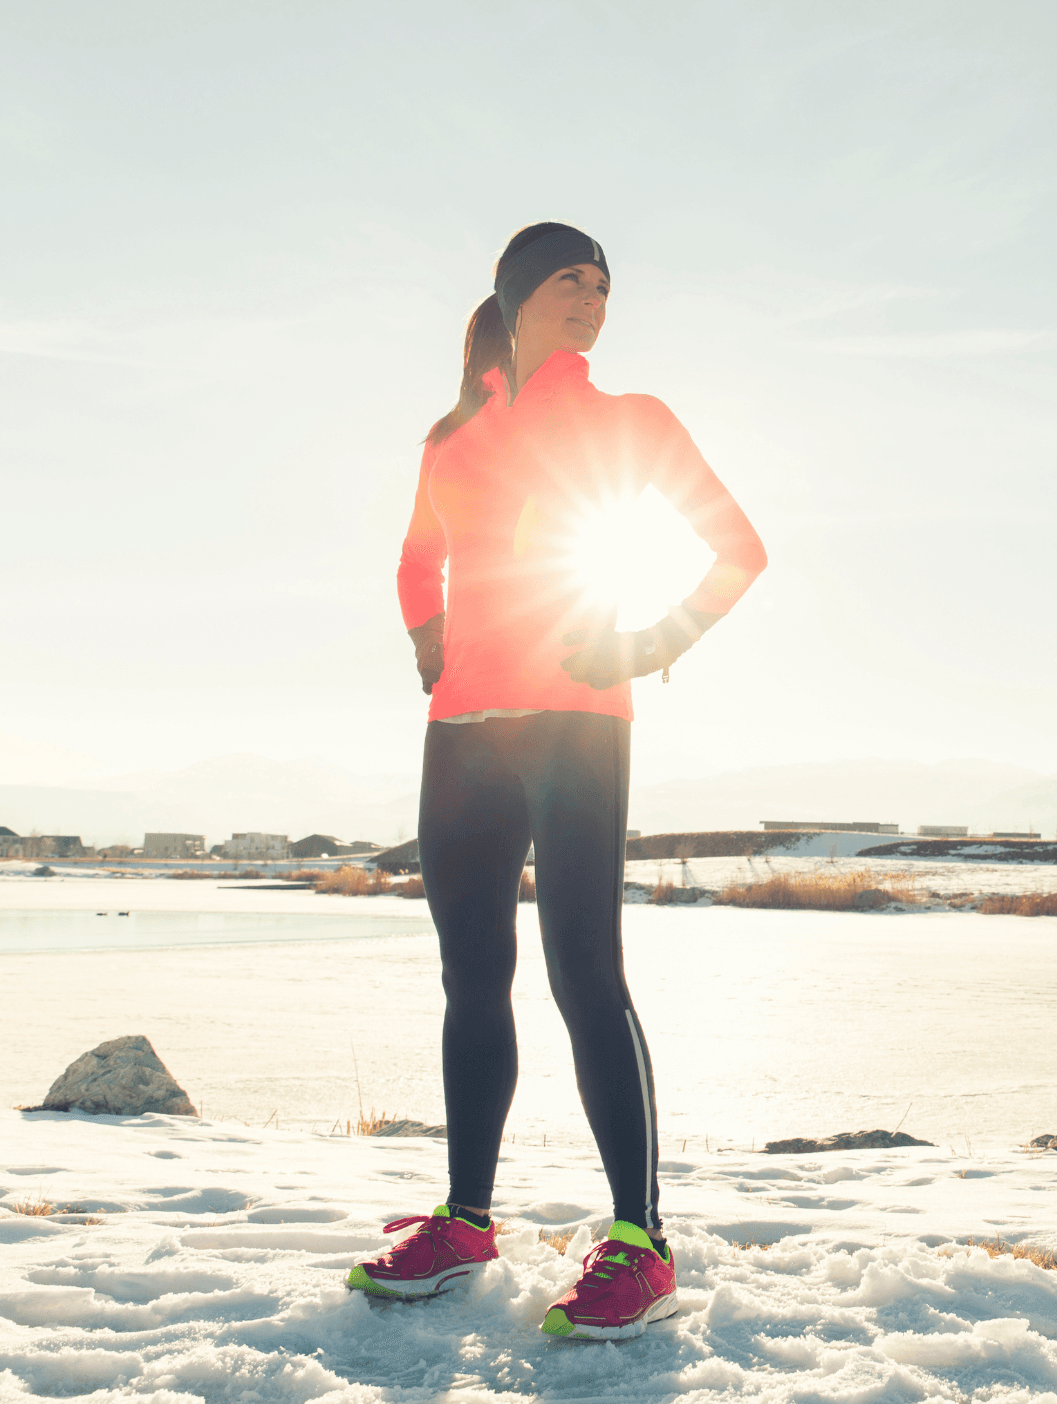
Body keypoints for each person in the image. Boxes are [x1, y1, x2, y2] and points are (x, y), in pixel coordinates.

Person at [345, 223, 766, 1339]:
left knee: (588, 975)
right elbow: (412, 556)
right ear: (517, 296)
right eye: (570, 281)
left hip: (579, 723)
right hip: (462, 733)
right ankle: (467, 1221)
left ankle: (639, 1242)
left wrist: (648, 640)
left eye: (604, 285)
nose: (593, 299)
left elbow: (739, 550)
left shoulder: (630, 423)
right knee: (472, 974)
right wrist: (430, 642)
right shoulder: (452, 436)